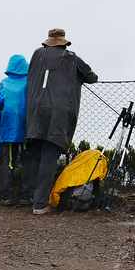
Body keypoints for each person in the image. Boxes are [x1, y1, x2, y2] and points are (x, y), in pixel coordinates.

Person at [23, 29, 99, 215]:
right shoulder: (71, 58)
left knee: (34, 156)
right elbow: (92, 77)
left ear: (48, 42)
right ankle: (40, 204)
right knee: (49, 157)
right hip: (58, 115)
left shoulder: (37, 54)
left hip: (35, 111)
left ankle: (28, 198)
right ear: (63, 43)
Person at [0, 54, 30, 206]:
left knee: (7, 163)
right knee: (26, 162)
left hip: (6, 130)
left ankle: (6, 195)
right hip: (26, 130)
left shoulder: (3, 84)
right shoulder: (29, 84)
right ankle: (25, 195)